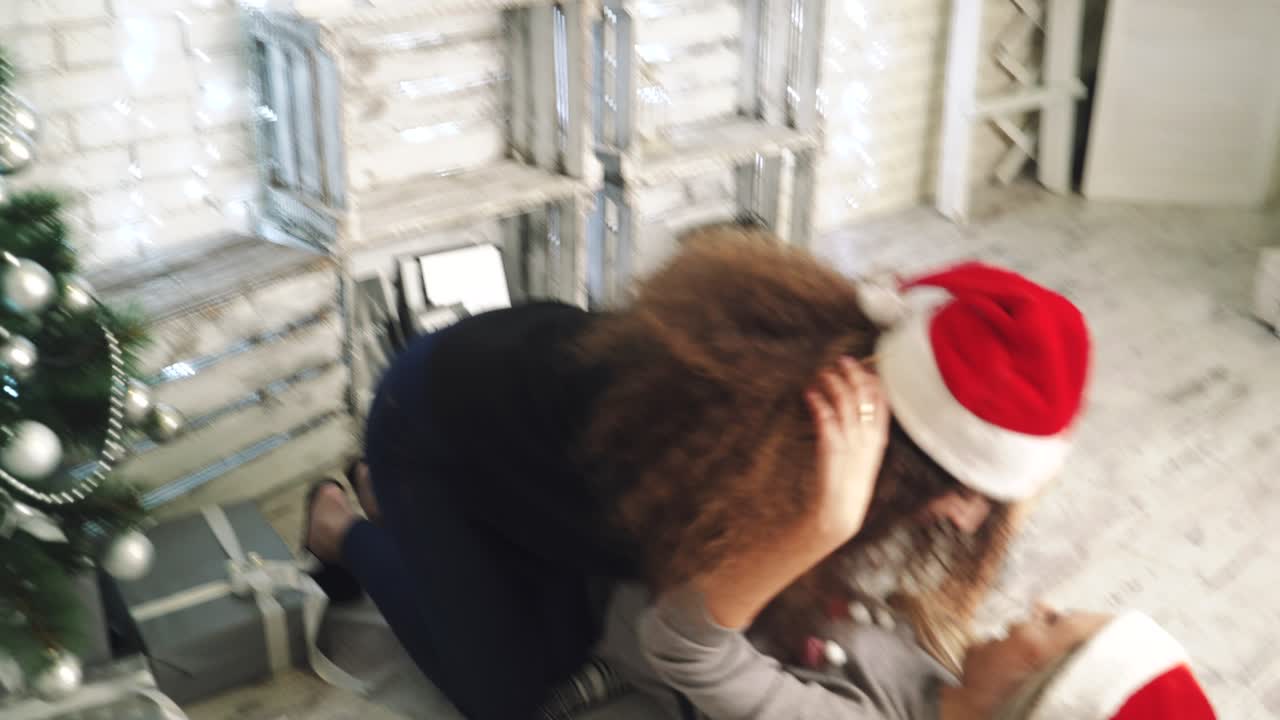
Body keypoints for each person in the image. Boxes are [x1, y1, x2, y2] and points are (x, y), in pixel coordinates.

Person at [302, 224, 1090, 718]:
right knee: (505, 695)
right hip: (434, 426)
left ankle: (409, 516)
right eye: (964, 498)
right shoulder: (784, 462)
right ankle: (349, 532)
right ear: (913, 463)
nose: (961, 520)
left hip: (513, 404)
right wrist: (823, 531)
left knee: (575, 634)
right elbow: (684, 639)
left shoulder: (855, 388)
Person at [602, 582, 1217, 720]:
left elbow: (690, 651)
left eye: (1053, 625)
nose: (1040, 605)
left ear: (1035, 686)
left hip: (606, 608)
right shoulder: (939, 684)